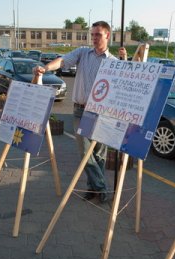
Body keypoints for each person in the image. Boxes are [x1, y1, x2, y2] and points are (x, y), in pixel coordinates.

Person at [34, 21, 127, 203]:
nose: (93, 38)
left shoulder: (113, 62)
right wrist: (45, 68)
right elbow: (62, 60)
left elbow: (123, 83)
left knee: (99, 154)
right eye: (92, 35)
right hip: (80, 110)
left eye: (97, 35)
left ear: (107, 36)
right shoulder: (83, 53)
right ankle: (102, 188)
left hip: (102, 113)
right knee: (85, 151)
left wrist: (125, 61)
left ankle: (93, 189)